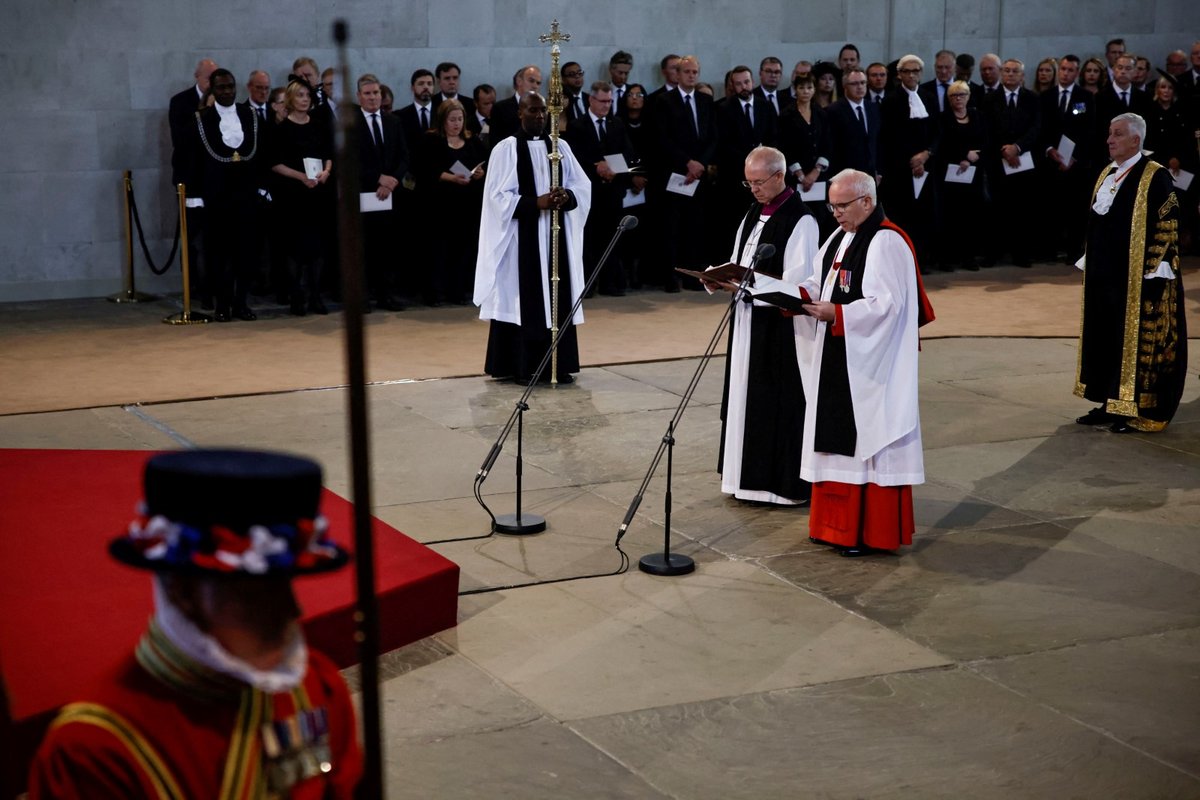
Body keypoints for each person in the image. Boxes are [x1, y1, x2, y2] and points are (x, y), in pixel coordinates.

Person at [27, 449, 362, 798]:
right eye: (254, 594)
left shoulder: (316, 687)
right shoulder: (94, 750)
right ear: (180, 589)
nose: (292, 610)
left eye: (286, 583)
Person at [792, 169, 934, 556]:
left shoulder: (887, 241)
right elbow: (817, 279)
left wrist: (838, 314)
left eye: (841, 205)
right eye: (831, 205)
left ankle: (867, 532)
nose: (834, 213)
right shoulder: (842, 236)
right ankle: (833, 528)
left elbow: (888, 307)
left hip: (870, 366)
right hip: (839, 356)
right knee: (834, 440)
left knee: (866, 442)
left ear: (867, 202)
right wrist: (787, 294)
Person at [712, 146, 819, 506]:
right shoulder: (753, 211)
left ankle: (778, 486)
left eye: (759, 182)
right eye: (748, 182)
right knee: (743, 396)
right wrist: (716, 277)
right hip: (746, 322)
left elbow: (800, 284)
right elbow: (737, 259)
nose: (753, 189)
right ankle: (743, 479)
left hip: (777, 330)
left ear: (779, 177)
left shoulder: (801, 220)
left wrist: (749, 286)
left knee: (773, 401)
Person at [1074, 113, 1187, 433]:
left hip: (1139, 278)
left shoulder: (1155, 176)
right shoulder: (1107, 174)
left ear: (1136, 140)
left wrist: (1155, 270)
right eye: (1110, 133)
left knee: (1136, 342)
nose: (1110, 139)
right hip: (1105, 276)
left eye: (1118, 134)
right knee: (1106, 337)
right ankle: (1111, 402)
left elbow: (1168, 224)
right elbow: (1097, 224)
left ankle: (1135, 408)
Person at [474, 93, 591, 384]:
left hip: (556, 239)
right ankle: (523, 366)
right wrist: (535, 203)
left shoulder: (560, 146)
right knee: (527, 300)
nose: (539, 116)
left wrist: (568, 195)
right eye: (533, 110)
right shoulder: (507, 149)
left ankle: (559, 365)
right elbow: (497, 198)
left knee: (558, 297)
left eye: (544, 111)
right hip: (522, 240)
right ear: (520, 112)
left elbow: (582, 185)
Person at [185, 68, 266, 322]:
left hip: (246, 197)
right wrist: (195, 194)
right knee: (218, 254)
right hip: (216, 197)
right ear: (212, 89)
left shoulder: (250, 116)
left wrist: (263, 186)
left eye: (231, 86)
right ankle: (222, 303)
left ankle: (241, 302)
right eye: (221, 87)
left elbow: (263, 154)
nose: (227, 91)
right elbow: (192, 161)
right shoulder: (201, 119)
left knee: (246, 253)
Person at [565, 82, 643, 296]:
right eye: (602, 101)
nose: (606, 105)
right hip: (589, 191)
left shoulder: (617, 124)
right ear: (591, 100)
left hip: (612, 191)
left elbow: (629, 154)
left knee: (611, 238)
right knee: (589, 238)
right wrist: (595, 167)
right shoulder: (577, 125)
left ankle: (610, 282)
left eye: (610, 101)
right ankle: (587, 285)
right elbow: (574, 156)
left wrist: (614, 170)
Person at [270, 80, 334, 315]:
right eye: (300, 95)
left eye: (307, 95)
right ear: (290, 99)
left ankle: (316, 295)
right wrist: (301, 177)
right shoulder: (281, 130)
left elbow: (329, 154)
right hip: (292, 196)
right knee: (294, 249)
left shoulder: (319, 125)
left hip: (317, 193)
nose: (305, 99)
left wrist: (326, 172)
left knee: (317, 248)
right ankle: (297, 295)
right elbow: (275, 164)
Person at [417, 99, 487, 305]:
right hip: (440, 204)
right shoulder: (432, 140)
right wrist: (451, 177)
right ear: (443, 120)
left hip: (465, 205)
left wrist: (479, 173)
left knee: (462, 248)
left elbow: (482, 163)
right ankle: (434, 292)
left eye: (460, 119)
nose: (456, 124)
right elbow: (426, 169)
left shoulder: (472, 141)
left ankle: (457, 291)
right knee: (438, 250)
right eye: (452, 120)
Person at [355, 73, 410, 312]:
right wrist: (378, 178)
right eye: (367, 93)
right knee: (365, 249)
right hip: (364, 194)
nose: (372, 97)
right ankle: (363, 297)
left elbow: (404, 156)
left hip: (389, 196)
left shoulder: (393, 121)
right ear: (359, 97)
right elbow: (350, 160)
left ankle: (386, 295)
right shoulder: (351, 124)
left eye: (376, 93)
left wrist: (392, 181)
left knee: (387, 248)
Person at [936, 80, 987, 270]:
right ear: (948, 99)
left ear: (968, 96)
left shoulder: (978, 116)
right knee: (951, 217)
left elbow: (985, 141)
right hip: (950, 176)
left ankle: (969, 257)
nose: (958, 98)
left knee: (971, 216)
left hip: (973, 175)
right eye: (954, 95)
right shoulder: (943, 118)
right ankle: (948, 258)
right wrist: (964, 155)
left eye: (962, 95)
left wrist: (972, 158)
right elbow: (943, 144)